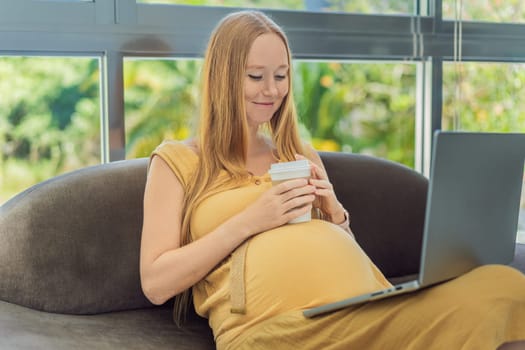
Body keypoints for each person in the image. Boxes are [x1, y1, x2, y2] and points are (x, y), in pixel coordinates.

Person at [139, 10, 525, 350]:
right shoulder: (178, 161)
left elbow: (341, 248)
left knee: (503, 285)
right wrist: (251, 220)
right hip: (275, 331)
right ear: (221, 77)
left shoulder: (298, 153)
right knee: (495, 295)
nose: (272, 90)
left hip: (360, 308)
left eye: (281, 75)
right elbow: (156, 283)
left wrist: (335, 214)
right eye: (256, 76)